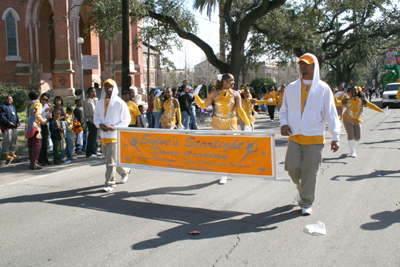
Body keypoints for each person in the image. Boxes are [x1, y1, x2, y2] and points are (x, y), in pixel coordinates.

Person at [278, 53, 340, 215]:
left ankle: (306, 201)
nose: (302, 66)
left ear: (315, 67)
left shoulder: (323, 88)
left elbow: (331, 113)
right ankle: (302, 189)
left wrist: (335, 136)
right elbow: (283, 110)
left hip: (315, 138)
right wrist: (283, 123)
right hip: (295, 136)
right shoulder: (291, 88)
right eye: (300, 64)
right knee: (292, 168)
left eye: (306, 64)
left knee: (310, 171)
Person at [193, 73, 251, 184]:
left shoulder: (236, 94)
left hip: (231, 124)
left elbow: (239, 109)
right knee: (220, 149)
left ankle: (229, 168)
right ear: (225, 81)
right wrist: (196, 96)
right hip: (217, 123)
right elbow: (204, 106)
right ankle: (224, 173)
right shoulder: (215, 93)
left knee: (231, 148)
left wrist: (247, 123)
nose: (234, 82)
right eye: (232, 80)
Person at [94, 79, 131, 192]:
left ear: (114, 87)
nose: (107, 88)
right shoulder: (100, 103)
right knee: (110, 158)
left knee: (110, 159)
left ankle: (110, 183)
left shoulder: (119, 102)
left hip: (114, 135)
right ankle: (124, 171)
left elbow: (126, 120)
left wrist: (115, 126)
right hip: (103, 135)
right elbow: (96, 118)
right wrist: (100, 125)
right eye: (105, 86)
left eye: (109, 86)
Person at [341, 86, 388, 158]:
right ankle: (353, 151)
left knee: (357, 138)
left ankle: (352, 142)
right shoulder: (347, 100)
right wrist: (334, 98)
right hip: (347, 118)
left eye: (355, 90)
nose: (353, 92)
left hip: (357, 119)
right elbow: (337, 104)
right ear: (350, 92)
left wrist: (381, 110)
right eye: (352, 91)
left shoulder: (362, 100)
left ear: (358, 91)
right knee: (350, 134)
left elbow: (371, 105)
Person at [25, 91, 47, 170]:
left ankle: (32, 162)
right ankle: (34, 162)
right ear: (38, 97)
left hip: (28, 126)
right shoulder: (38, 104)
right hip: (35, 126)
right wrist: (44, 121)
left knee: (31, 145)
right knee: (37, 145)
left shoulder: (28, 104)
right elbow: (37, 115)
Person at [0, 95, 20, 160]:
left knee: (14, 140)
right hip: (6, 126)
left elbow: (16, 115)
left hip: (14, 126)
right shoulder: (3, 107)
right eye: (8, 99)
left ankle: (12, 152)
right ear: (5, 99)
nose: (9, 100)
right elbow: (2, 116)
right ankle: (5, 153)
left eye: (10, 99)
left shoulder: (13, 107)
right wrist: (8, 122)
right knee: (7, 140)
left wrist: (18, 122)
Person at [38, 93, 53, 165]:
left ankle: (45, 158)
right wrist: (45, 111)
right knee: (41, 142)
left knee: (45, 142)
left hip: (45, 124)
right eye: (43, 99)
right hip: (39, 124)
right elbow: (39, 115)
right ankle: (41, 159)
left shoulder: (47, 105)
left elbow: (46, 116)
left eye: (46, 100)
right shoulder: (38, 105)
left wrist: (49, 111)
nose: (44, 101)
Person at [83, 87, 98, 158]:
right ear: (91, 93)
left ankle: (94, 150)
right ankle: (90, 152)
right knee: (92, 137)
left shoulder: (89, 100)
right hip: (91, 121)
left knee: (93, 136)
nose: (95, 93)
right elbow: (93, 113)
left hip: (90, 120)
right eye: (94, 92)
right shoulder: (89, 102)